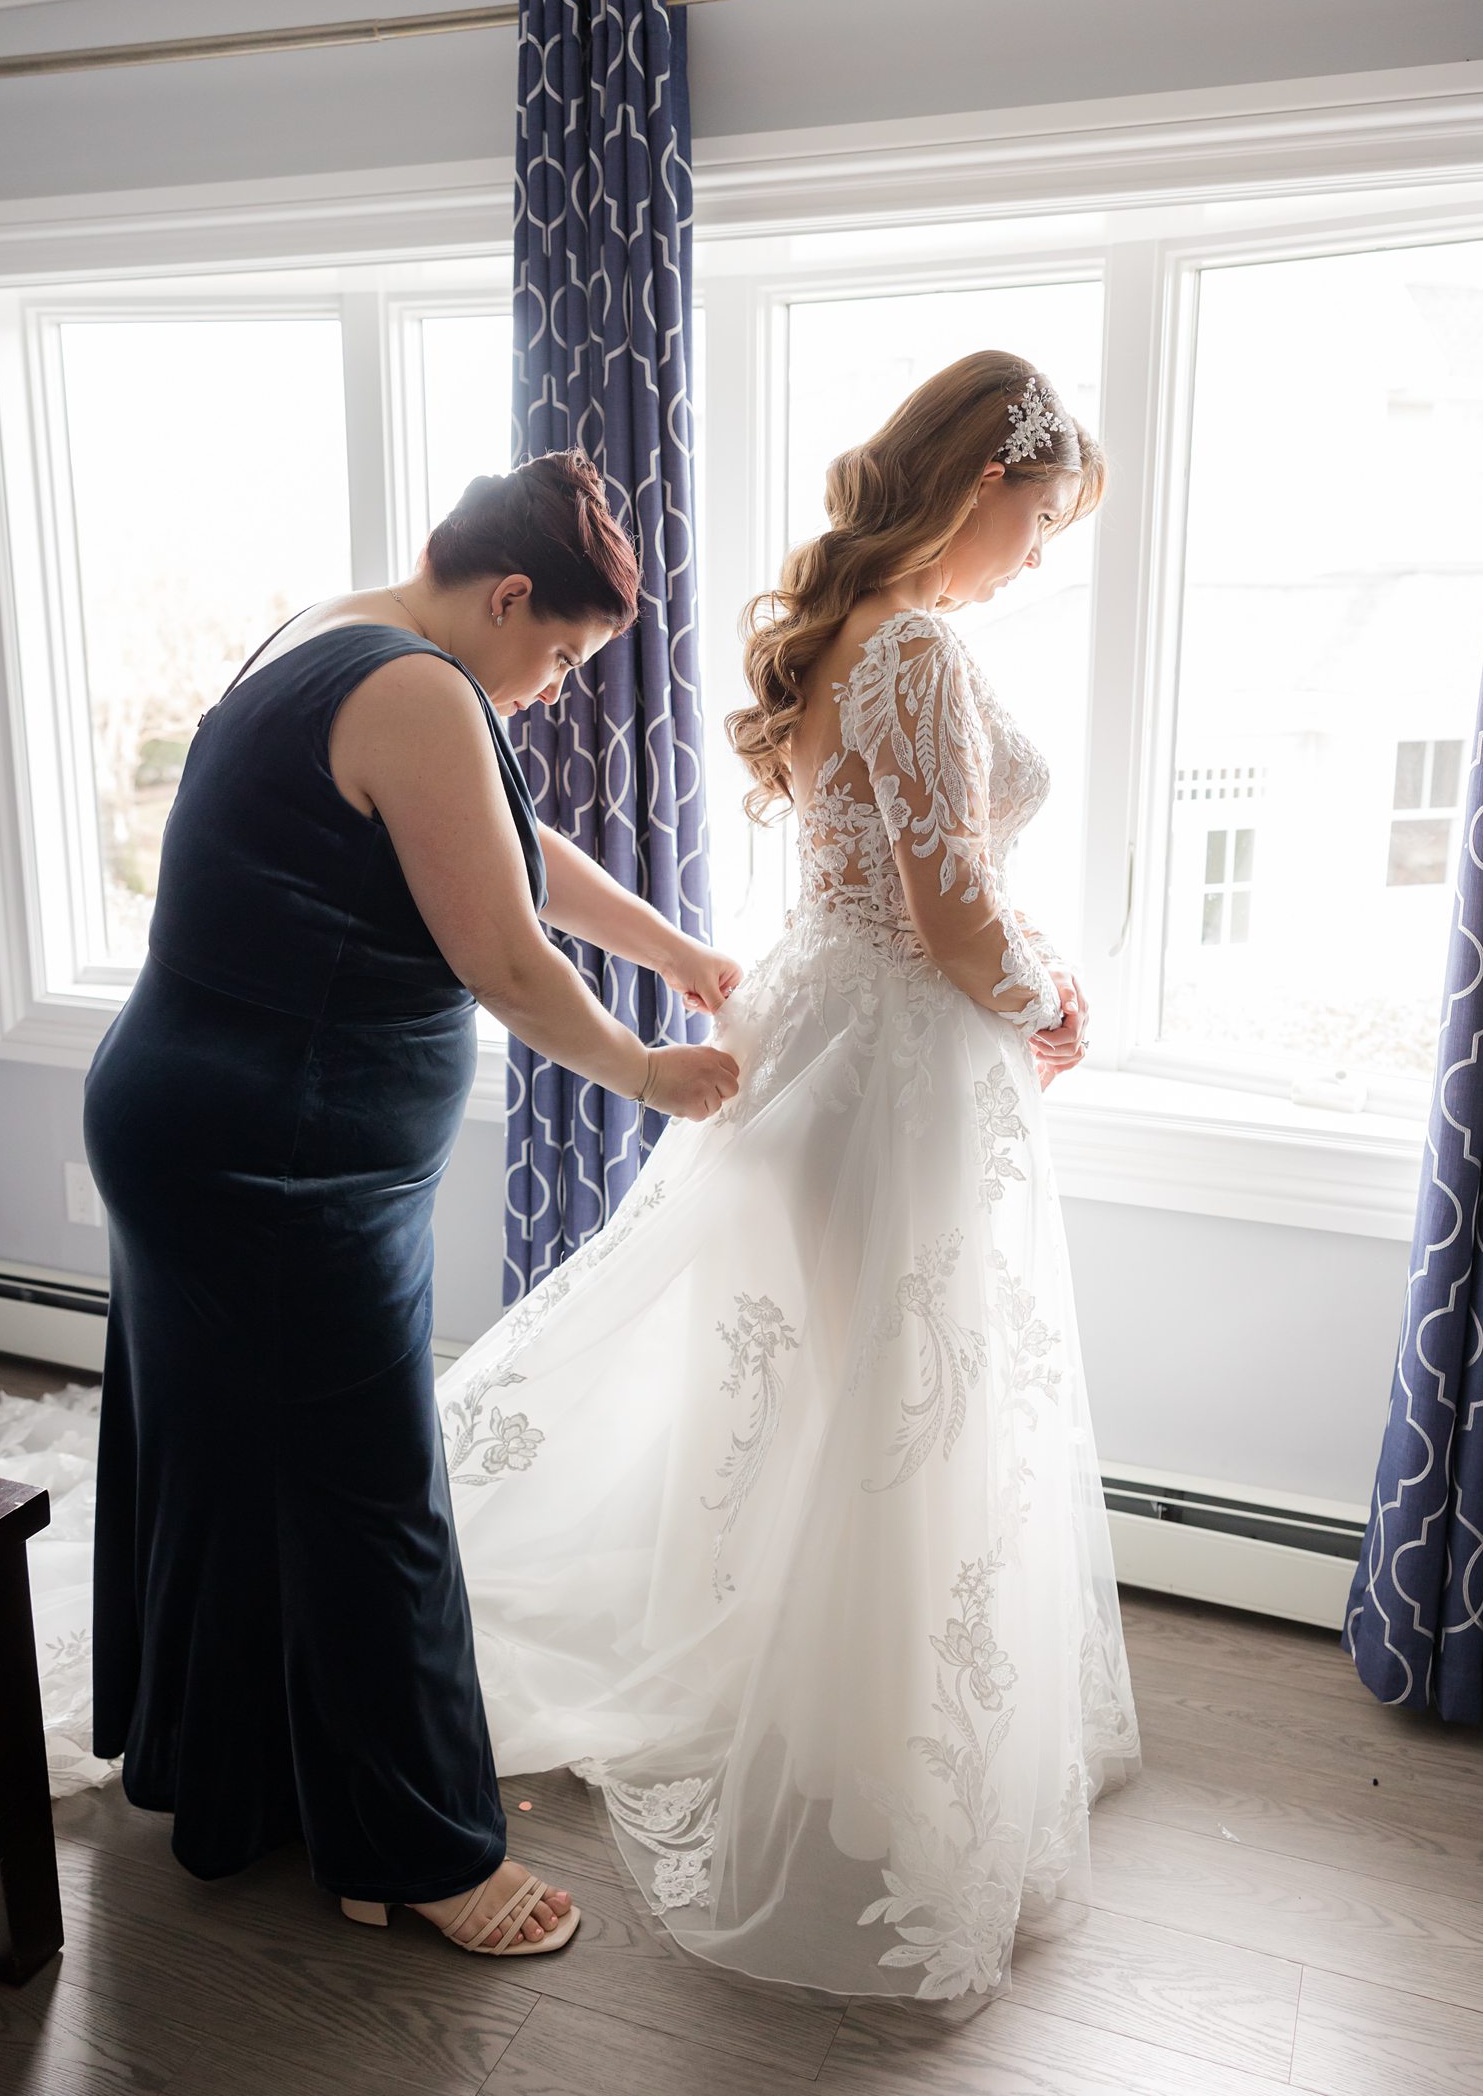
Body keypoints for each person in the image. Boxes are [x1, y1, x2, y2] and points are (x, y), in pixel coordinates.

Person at [433, 352, 1142, 2011]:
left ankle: (860, 1720)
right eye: (1042, 521)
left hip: (834, 1033)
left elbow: (909, 891)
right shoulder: (917, 648)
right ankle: (882, 1762)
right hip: (893, 1069)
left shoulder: (854, 639)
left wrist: (1017, 969)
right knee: (902, 1403)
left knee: (848, 1399)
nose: (1039, 555)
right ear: (986, 485)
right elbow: (953, 916)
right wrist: (1055, 1003)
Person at [80, 448, 741, 1962]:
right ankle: (413, 1854)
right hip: (271, 1160)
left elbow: (509, 851)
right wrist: (647, 1070)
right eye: (561, 653)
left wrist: (673, 948)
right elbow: (503, 956)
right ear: (509, 594)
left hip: (207, 1124)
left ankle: (228, 1772)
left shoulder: (344, 630)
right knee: (373, 1491)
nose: (557, 687)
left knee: (244, 1461)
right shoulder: (422, 691)